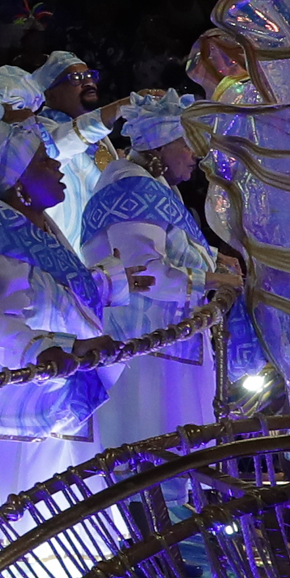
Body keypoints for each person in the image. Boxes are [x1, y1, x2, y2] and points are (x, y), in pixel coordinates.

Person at [0, 118, 124, 508]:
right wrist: (69, 345)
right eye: (42, 161)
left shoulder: (35, 225)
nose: (56, 166)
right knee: (31, 506)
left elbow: (59, 289)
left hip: (62, 377)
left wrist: (109, 281)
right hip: (26, 394)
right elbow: (12, 316)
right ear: (16, 183)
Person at [85, 91, 226, 450]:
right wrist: (214, 279)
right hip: (146, 350)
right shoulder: (131, 186)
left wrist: (217, 259)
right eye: (187, 144)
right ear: (160, 147)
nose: (196, 155)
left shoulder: (154, 186)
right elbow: (145, 274)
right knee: (154, 444)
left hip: (166, 345)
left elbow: (176, 248)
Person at [29, 49, 114, 247]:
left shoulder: (100, 133)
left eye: (89, 75)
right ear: (50, 94)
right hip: (75, 243)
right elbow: (62, 144)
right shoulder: (41, 128)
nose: (88, 82)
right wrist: (120, 107)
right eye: (75, 78)